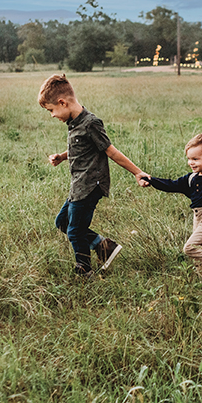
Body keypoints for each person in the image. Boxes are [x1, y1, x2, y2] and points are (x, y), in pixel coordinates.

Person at [39, 73, 148, 277]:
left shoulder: (91, 123)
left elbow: (111, 151)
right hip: (78, 185)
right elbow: (81, 148)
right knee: (62, 222)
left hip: (90, 185)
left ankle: (84, 270)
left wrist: (138, 172)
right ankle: (104, 246)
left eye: (51, 110)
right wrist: (63, 156)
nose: (52, 115)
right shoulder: (73, 123)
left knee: (75, 231)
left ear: (62, 102)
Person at [138, 133, 202, 283]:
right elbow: (171, 185)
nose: (191, 163)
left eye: (195, 159)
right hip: (198, 219)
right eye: (189, 159)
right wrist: (151, 180)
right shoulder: (191, 178)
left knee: (190, 248)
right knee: (201, 254)